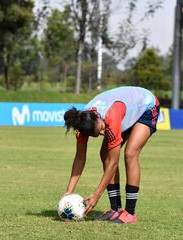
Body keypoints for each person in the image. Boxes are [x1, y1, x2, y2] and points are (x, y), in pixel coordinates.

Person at [63, 86, 160, 224]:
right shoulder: (81, 123)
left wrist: (97, 195)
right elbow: (79, 157)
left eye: (102, 129)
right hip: (126, 112)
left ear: (97, 117)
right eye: (99, 134)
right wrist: (69, 192)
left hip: (146, 106)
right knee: (105, 153)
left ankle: (130, 213)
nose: (103, 133)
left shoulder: (111, 116)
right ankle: (115, 209)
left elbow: (113, 163)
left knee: (130, 153)